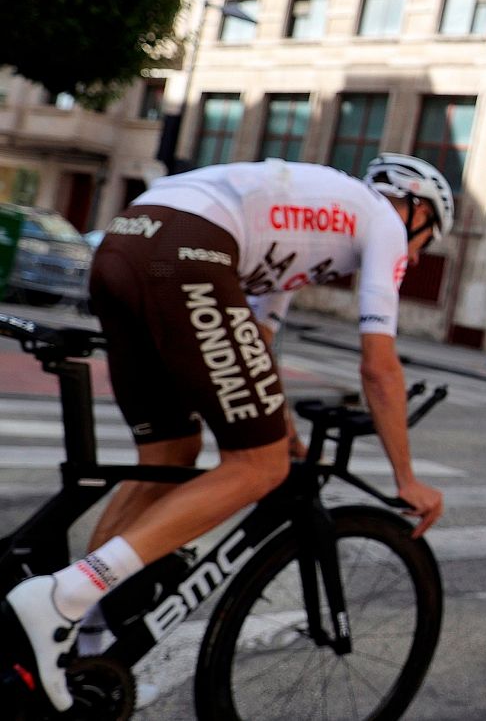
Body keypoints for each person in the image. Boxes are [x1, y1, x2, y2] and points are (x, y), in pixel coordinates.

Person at [4, 155, 450, 712]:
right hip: (187, 248)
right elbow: (379, 366)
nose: (416, 253)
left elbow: (251, 347)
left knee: (174, 450)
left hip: (127, 242)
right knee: (260, 468)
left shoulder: (308, 226)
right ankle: (65, 595)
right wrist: (405, 478)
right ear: (414, 207)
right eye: (427, 238)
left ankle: (83, 638)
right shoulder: (381, 219)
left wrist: (282, 428)